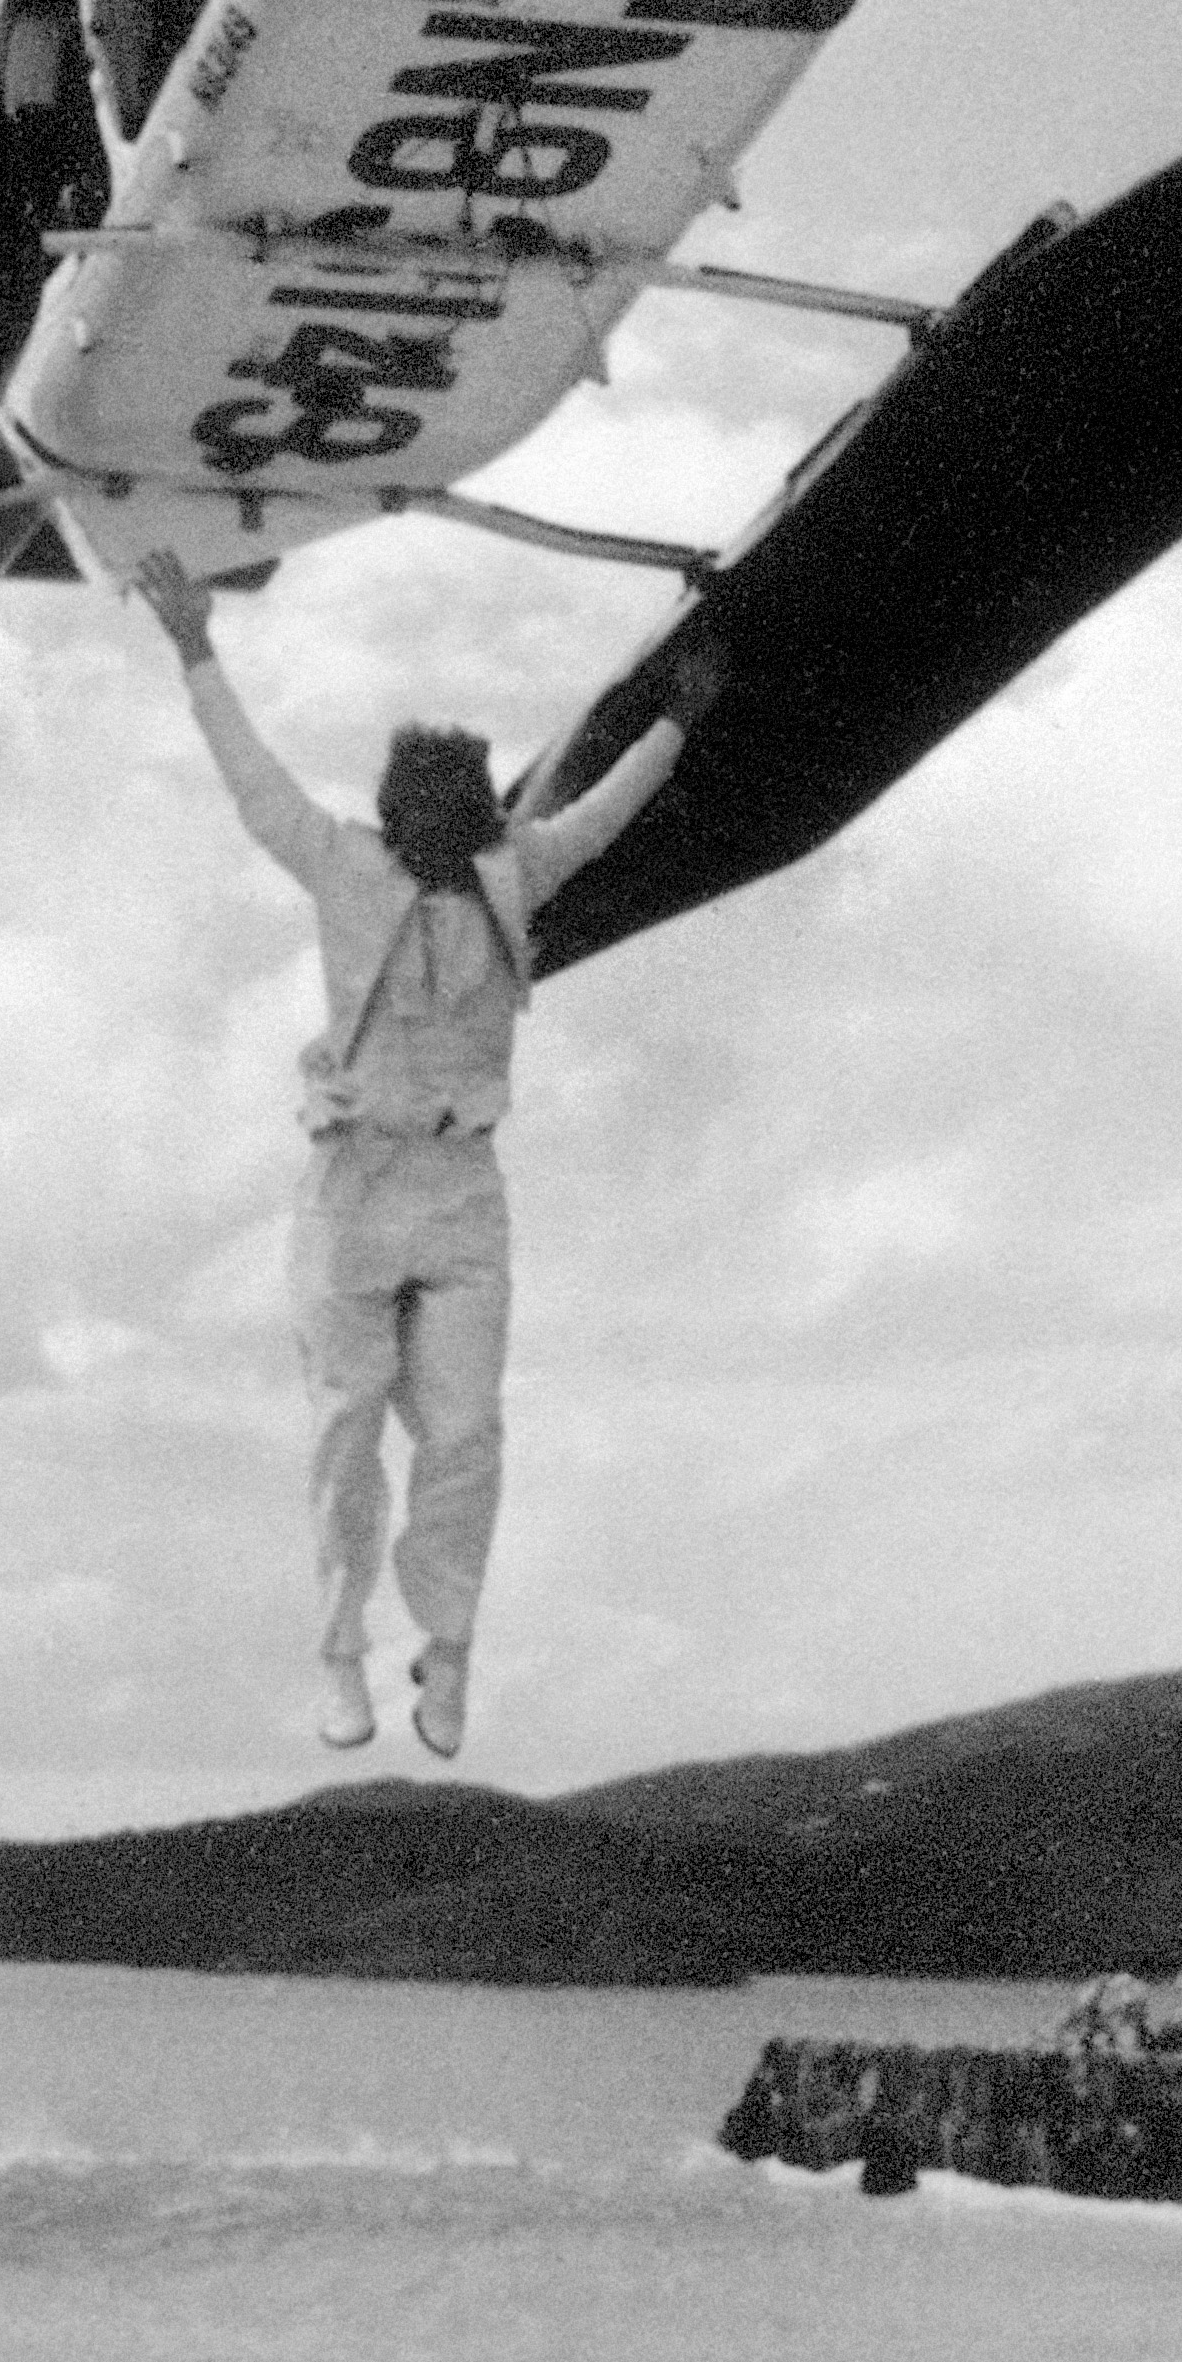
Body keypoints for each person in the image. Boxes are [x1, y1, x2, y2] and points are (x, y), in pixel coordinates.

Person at [133, 550, 722, 1758]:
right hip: (350, 1186)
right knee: (345, 1429)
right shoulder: (346, 869)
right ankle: (340, 1657)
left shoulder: (515, 876)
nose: (452, 833)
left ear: (483, 813)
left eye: (470, 812)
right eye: (431, 815)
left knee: (464, 1437)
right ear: (400, 819)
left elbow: (605, 816)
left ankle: (444, 1656)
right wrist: (195, 647)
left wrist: (675, 716)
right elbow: (256, 788)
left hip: (462, 1193)